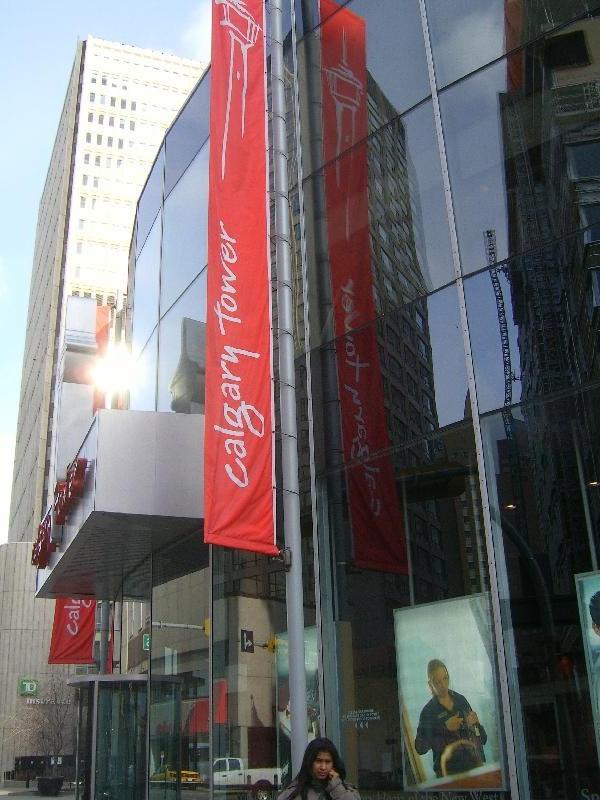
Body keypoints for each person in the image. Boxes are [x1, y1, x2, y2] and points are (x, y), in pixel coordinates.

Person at [414, 659, 487, 778]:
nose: (443, 685)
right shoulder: (427, 712)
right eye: (437, 682)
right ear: (430, 684)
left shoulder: (461, 700)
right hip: (448, 775)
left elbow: (483, 739)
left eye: (445, 678)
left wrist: (477, 724)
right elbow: (420, 748)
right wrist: (444, 728)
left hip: (475, 768)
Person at [278, 738, 360, 800]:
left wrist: (336, 787)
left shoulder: (346, 791)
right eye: (318, 761)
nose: (323, 767)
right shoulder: (293, 793)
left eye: (327, 762)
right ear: (310, 762)